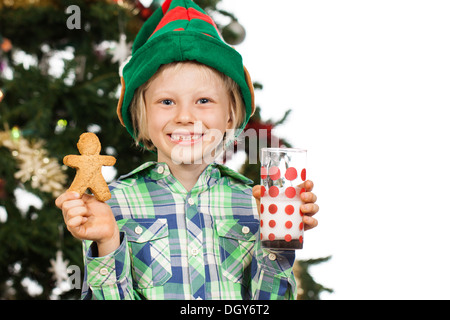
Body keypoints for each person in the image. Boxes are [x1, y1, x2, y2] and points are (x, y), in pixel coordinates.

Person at [55, 0, 319, 300]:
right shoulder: (110, 207)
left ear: (230, 115)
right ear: (141, 116)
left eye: (204, 101)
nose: (184, 116)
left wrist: (278, 241)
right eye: (166, 102)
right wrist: (107, 243)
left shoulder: (259, 207)